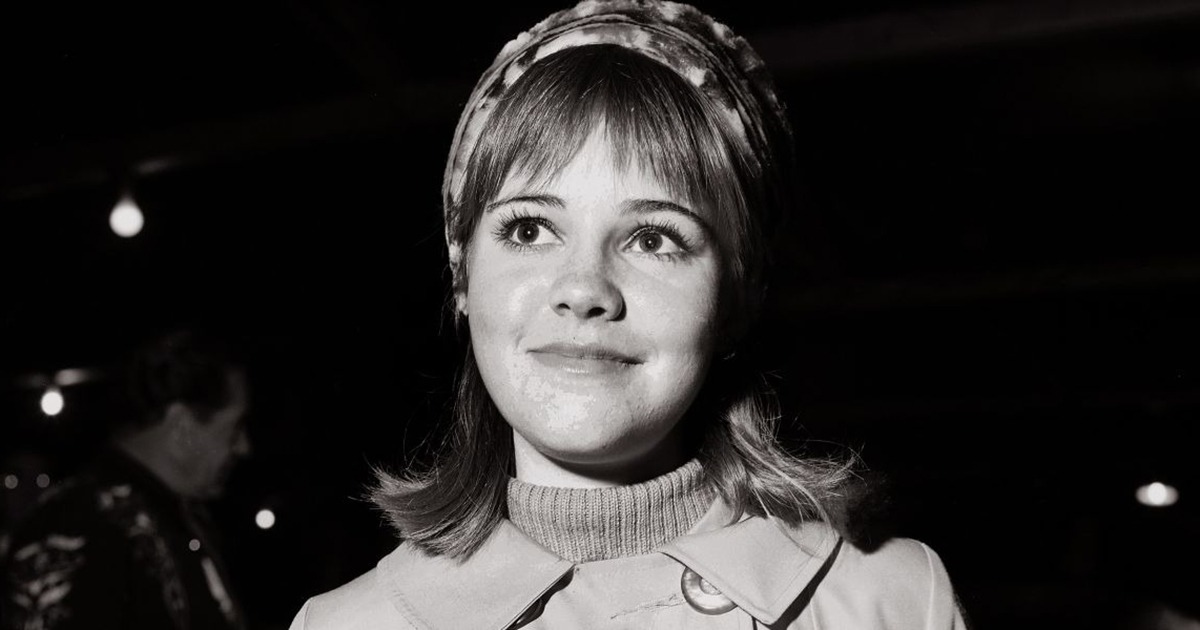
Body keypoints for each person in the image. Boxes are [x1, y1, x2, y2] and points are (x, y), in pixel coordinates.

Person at [290, 1, 970, 627]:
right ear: (463, 275)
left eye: (653, 239)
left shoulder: (896, 601)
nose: (584, 288)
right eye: (529, 229)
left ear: (735, 298)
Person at [2, 326, 251, 630]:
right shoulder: (78, 524)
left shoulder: (178, 519)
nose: (244, 447)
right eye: (234, 428)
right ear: (182, 428)